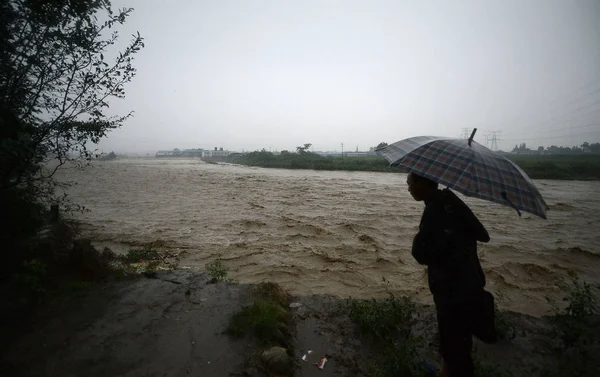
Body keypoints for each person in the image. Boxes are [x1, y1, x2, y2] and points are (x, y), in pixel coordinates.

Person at [407, 171, 497, 377]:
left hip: (450, 287)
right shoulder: (451, 202)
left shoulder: (435, 210)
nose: (409, 189)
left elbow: (421, 253)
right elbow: (483, 235)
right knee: (460, 336)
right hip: (471, 280)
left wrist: (425, 236)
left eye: (410, 184)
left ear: (423, 184)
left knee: (452, 334)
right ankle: (449, 370)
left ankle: (448, 373)